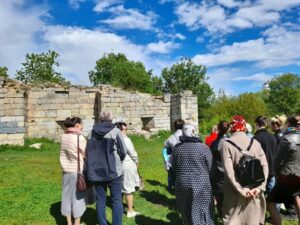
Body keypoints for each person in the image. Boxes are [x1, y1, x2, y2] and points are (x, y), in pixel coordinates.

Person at [221, 115, 269, 225]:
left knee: (233, 220)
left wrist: (241, 190)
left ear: (231, 126)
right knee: (252, 220)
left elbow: (229, 171)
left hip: (234, 193)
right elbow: (265, 167)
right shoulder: (255, 143)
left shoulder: (226, 144)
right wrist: (260, 187)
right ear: (244, 126)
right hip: (255, 191)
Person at [86, 111, 127, 225]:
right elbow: (123, 151)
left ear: (100, 119)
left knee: (100, 200)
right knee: (117, 201)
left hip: (97, 170)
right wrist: (119, 161)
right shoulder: (116, 131)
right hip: (114, 170)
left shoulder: (91, 133)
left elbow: (88, 151)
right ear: (111, 119)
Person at [172, 122, 214, 225]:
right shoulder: (203, 148)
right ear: (194, 131)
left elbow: (174, 166)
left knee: (185, 208)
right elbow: (210, 166)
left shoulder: (177, 148)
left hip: (182, 183)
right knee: (203, 209)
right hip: (201, 183)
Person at [267, 116, 300, 225]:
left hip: (286, 176)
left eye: (285, 123)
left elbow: (278, 160)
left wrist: (276, 173)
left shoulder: (287, 138)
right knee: (296, 197)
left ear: (289, 124)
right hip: (297, 175)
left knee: (270, 202)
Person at [60, 117, 87, 225]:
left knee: (66, 197)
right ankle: (77, 223)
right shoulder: (79, 138)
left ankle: (68, 223)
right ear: (77, 125)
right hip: (78, 172)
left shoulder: (63, 136)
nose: (82, 126)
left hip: (66, 171)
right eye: (81, 124)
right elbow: (86, 154)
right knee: (78, 198)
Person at [115, 119, 140, 218]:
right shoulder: (125, 139)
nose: (126, 130)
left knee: (120, 188)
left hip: (117, 165)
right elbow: (132, 153)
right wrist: (136, 161)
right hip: (126, 164)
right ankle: (130, 211)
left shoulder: (113, 139)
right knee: (128, 188)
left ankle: (119, 207)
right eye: (125, 129)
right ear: (122, 129)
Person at [254, 116, 278, 196]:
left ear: (257, 124)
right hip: (272, 169)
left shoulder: (255, 138)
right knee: (273, 198)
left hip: (260, 171)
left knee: (259, 196)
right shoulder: (273, 137)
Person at [210, 120, 230, 219]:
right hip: (229, 173)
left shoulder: (215, 143)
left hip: (218, 175)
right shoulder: (231, 142)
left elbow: (211, 159)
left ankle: (223, 217)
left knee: (220, 199)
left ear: (218, 129)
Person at [164, 119, 185, 192]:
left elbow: (165, 146)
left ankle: (171, 187)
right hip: (186, 158)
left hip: (175, 159)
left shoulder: (171, 138)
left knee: (173, 173)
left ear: (174, 127)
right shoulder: (186, 135)